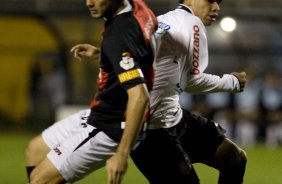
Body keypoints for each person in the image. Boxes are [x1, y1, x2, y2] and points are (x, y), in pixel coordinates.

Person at [24, 0, 157, 183]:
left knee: (39, 180)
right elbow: (139, 47)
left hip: (111, 126)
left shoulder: (119, 33)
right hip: (100, 112)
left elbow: (140, 96)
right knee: (35, 150)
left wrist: (121, 154)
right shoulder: (139, 8)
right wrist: (106, 54)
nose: (88, 3)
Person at [129, 0, 248, 183]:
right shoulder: (192, 23)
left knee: (233, 158)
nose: (216, 7)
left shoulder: (159, 20)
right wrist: (232, 82)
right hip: (153, 132)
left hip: (173, 119)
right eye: (210, 1)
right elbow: (191, 82)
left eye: (219, 2)